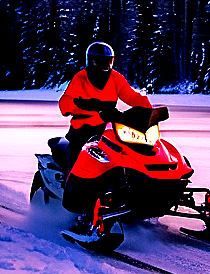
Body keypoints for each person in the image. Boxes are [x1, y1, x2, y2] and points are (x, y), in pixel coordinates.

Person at [58, 41, 151, 176]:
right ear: (91, 61)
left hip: (108, 127)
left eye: (107, 62)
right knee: (75, 166)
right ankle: (71, 190)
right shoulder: (80, 78)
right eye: (99, 62)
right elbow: (64, 105)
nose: (103, 65)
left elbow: (131, 96)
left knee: (127, 152)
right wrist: (80, 104)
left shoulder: (115, 77)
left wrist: (147, 107)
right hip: (82, 129)